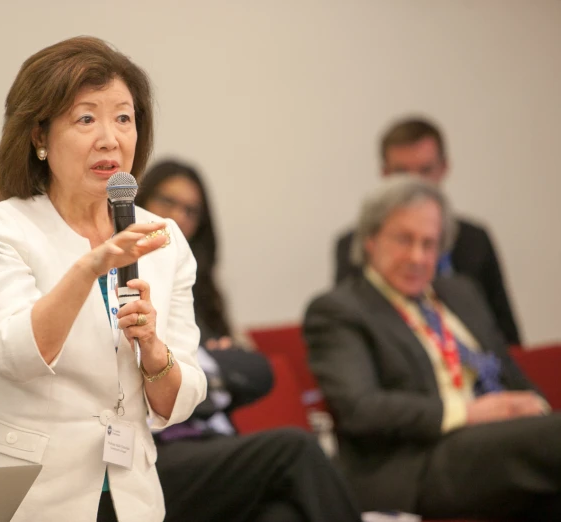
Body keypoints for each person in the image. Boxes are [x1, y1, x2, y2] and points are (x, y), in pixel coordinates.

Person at [0, 37, 207, 522]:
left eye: (123, 118)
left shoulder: (162, 238)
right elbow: (13, 355)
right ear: (39, 136)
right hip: (6, 491)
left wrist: (152, 350)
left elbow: (183, 397)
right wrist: (90, 267)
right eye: (86, 119)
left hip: (126, 493)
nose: (110, 138)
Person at [305, 176, 561, 520]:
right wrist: (469, 412)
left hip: (499, 442)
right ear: (370, 239)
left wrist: (533, 406)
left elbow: (511, 376)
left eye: (429, 244)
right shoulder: (341, 309)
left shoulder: (461, 294)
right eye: (404, 240)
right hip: (422, 457)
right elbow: (361, 409)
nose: (417, 256)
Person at [138, 160, 362, 522]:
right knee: (296, 448)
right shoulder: (126, 282)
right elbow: (150, 383)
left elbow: (255, 373)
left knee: (280, 516)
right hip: (158, 450)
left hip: (214, 444)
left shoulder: (203, 297)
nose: (179, 217)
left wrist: (203, 373)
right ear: (143, 199)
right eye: (168, 202)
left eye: (192, 210)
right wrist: (208, 369)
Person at [333, 117, 522, 345]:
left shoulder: (474, 241)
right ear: (384, 174)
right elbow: (348, 331)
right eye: (401, 172)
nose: (415, 184)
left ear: (444, 169)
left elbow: (507, 336)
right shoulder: (357, 242)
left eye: (425, 171)